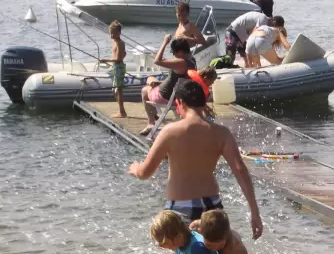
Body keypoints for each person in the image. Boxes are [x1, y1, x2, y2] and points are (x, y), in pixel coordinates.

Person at [128, 79, 263, 241]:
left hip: (180, 207)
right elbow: (240, 170)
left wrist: (136, 168)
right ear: (203, 102)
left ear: (181, 103)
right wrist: (255, 212)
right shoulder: (221, 133)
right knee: (216, 252)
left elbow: (145, 173)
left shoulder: (170, 132)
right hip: (212, 207)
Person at [139, 36, 196, 136]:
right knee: (152, 80)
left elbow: (157, 61)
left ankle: (151, 122)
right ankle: (155, 115)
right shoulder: (191, 60)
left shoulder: (180, 62)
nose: (174, 55)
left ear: (180, 52)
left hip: (166, 97)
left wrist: (165, 42)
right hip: (178, 95)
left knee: (145, 89)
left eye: (174, 52)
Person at [100, 20, 127, 119]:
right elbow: (124, 54)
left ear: (119, 33)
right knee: (114, 90)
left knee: (118, 90)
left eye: (113, 33)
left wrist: (105, 60)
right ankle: (121, 110)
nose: (111, 35)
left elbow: (118, 59)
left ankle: (122, 112)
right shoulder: (115, 41)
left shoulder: (120, 43)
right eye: (110, 33)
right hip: (115, 67)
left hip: (118, 67)